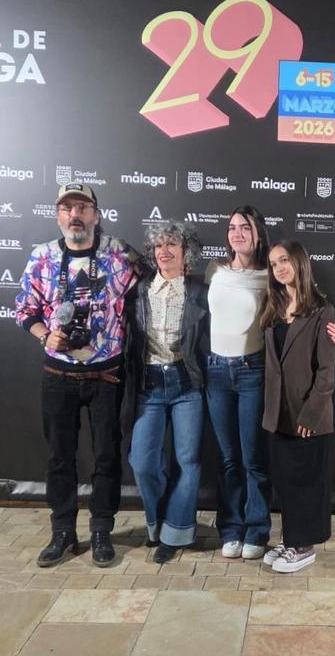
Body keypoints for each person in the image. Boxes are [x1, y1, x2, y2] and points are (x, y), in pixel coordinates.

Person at [15, 183, 142, 568]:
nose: (75, 215)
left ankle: (102, 529)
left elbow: (160, 278)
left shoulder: (120, 253)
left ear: (96, 216)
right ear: (58, 216)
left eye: (83, 207)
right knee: (60, 456)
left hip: (107, 374)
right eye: (68, 208)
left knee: (106, 455)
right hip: (59, 373)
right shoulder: (41, 257)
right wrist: (45, 335)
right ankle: (63, 531)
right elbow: (25, 310)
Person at [206, 206, 335, 561]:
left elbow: (308, 308)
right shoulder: (216, 271)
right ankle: (234, 529)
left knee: (255, 461)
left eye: (245, 227)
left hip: (253, 374)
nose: (237, 233)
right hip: (218, 373)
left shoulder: (275, 283)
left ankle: (260, 531)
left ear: (257, 234)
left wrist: (330, 329)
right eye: (232, 227)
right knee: (230, 459)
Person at [121, 221, 209, 565]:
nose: (164, 251)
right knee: (143, 462)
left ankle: (175, 533)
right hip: (150, 384)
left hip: (187, 383)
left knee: (188, 461)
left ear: (186, 252)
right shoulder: (139, 290)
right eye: (159, 246)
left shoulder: (199, 292)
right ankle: (157, 523)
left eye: (172, 244)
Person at [259, 240, 335, 573]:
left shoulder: (322, 311)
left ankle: (305, 546)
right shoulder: (272, 307)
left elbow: (326, 372)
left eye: (284, 260)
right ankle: (291, 537)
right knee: (286, 480)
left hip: (308, 414)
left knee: (307, 481)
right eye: (273, 263)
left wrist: (312, 412)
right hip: (279, 413)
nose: (279, 268)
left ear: (300, 263)